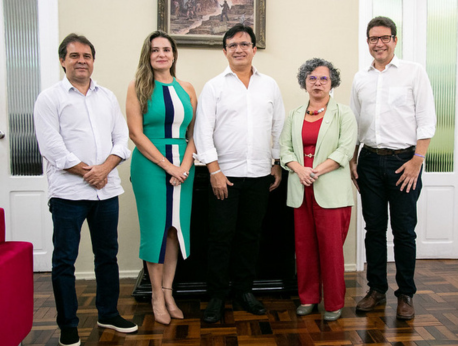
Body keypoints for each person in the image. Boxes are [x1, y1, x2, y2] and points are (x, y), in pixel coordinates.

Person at [33, 33, 137, 346]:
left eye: (87, 56)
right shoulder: (49, 98)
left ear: (93, 60)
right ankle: (67, 325)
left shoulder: (106, 96)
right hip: (68, 194)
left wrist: (105, 168)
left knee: (108, 255)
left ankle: (108, 313)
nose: (82, 61)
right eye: (75, 56)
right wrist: (88, 172)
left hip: (106, 192)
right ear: (62, 60)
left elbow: (122, 139)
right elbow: (52, 147)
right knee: (64, 260)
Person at [194, 23, 285, 323]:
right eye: (232, 45)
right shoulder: (214, 86)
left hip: (259, 175)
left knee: (250, 236)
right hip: (225, 176)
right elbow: (203, 131)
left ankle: (244, 291)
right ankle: (217, 296)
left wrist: (275, 162)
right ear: (225, 51)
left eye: (244, 44)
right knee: (220, 237)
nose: (239, 49)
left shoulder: (269, 85)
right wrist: (214, 171)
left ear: (254, 49)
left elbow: (279, 128)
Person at [349, 16, 436, 320]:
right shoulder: (360, 78)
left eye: (384, 38)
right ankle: (376, 290)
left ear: (394, 40)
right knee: (373, 229)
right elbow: (356, 125)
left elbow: (427, 120)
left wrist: (417, 160)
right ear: (368, 42)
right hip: (370, 161)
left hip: (405, 162)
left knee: (403, 231)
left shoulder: (414, 73)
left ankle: (406, 294)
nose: (379, 43)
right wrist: (353, 160)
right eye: (373, 38)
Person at [126, 31, 197, 325]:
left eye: (166, 49)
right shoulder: (138, 87)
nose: (161, 54)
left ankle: (169, 292)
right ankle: (156, 295)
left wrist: (185, 166)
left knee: (174, 231)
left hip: (184, 168)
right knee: (155, 230)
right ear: (148, 55)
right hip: (151, 166)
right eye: (155, 50)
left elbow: (195, 135)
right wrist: (169, 166)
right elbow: (135, 134)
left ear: (174, 54)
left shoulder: (188, 88)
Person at [279, 58, 357, 321]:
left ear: (332, 82)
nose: (318, 83)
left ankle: (334, 303)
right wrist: (300, 170)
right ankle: (308, 298)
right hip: (301, 188)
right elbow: (285, 149)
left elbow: (345, 150)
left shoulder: (343, 113)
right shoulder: (294, 114)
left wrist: (316, 170)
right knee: (304, 247)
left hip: (331, 190)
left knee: (332, 250)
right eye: (312, 78)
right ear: (304, 82)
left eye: (323, 78)